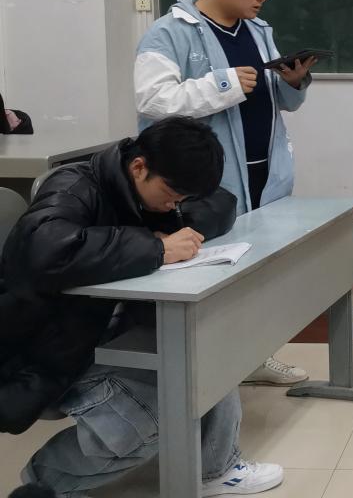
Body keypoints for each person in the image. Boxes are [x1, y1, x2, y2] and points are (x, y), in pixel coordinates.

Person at [1, 117, 284, 497]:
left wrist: (173, 221)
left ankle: (216, 468)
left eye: (182, 199)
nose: (174, 204)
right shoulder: (73, 185)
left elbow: (220, 203)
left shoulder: (154, 183)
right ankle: (48, 483)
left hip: (101, 329)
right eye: (171, 195)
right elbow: (43, 250)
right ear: (138, 167)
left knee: (204, 342)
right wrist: (155, 247)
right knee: (163, 409)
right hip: (46, 349)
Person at [134, 0, 314, 387]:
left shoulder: (258, 31)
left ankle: (253, 356)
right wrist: (223, 84)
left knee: (260, 271)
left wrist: (293, 82)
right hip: (208, 182)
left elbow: (275, 101)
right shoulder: (169, 32)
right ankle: (205, 371)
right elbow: (153, 101)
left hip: (263, 172)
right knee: (213, 272)